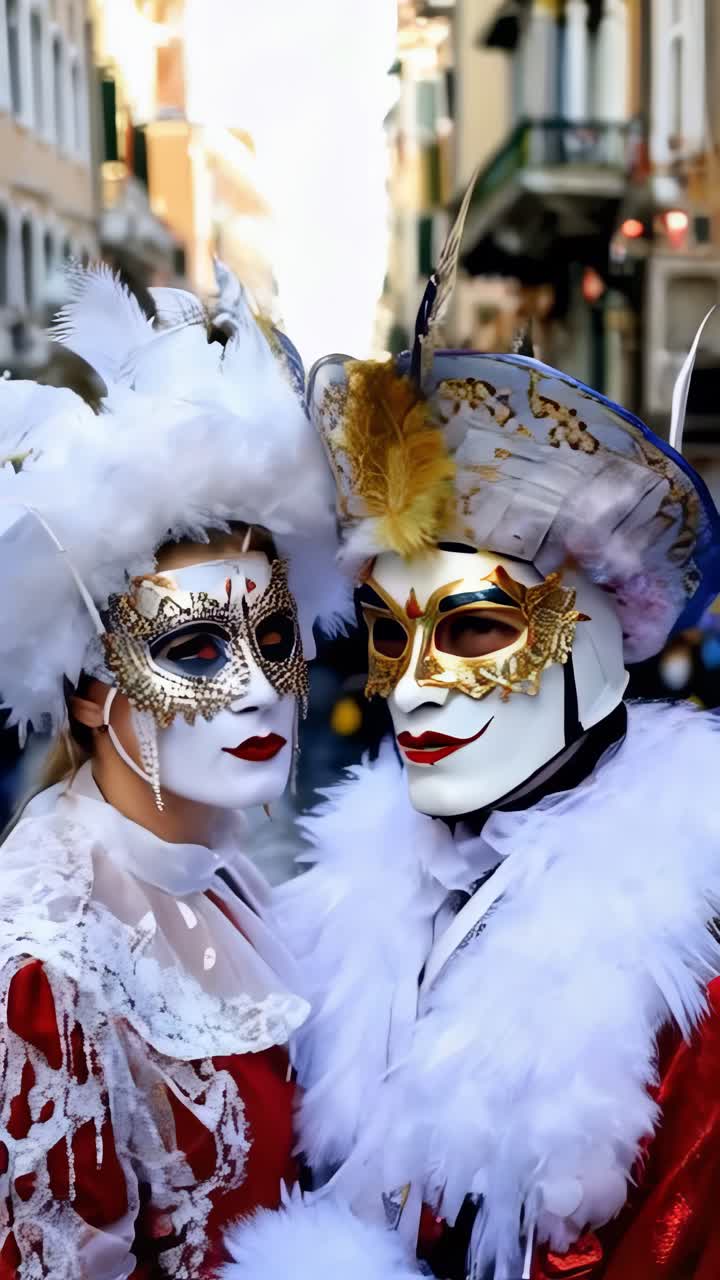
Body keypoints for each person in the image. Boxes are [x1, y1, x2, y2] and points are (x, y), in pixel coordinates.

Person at [222, 201, 720, 1280]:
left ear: (595, 635)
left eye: (475, 627)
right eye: (390, 636)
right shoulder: (366, 899)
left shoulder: (691, 965)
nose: (412, 690)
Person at [0, 262, 345, 1278]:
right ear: (89, 692)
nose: (254, 687)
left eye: (274, 635)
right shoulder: (44, 970)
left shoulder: (217, 873)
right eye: (194, 649)